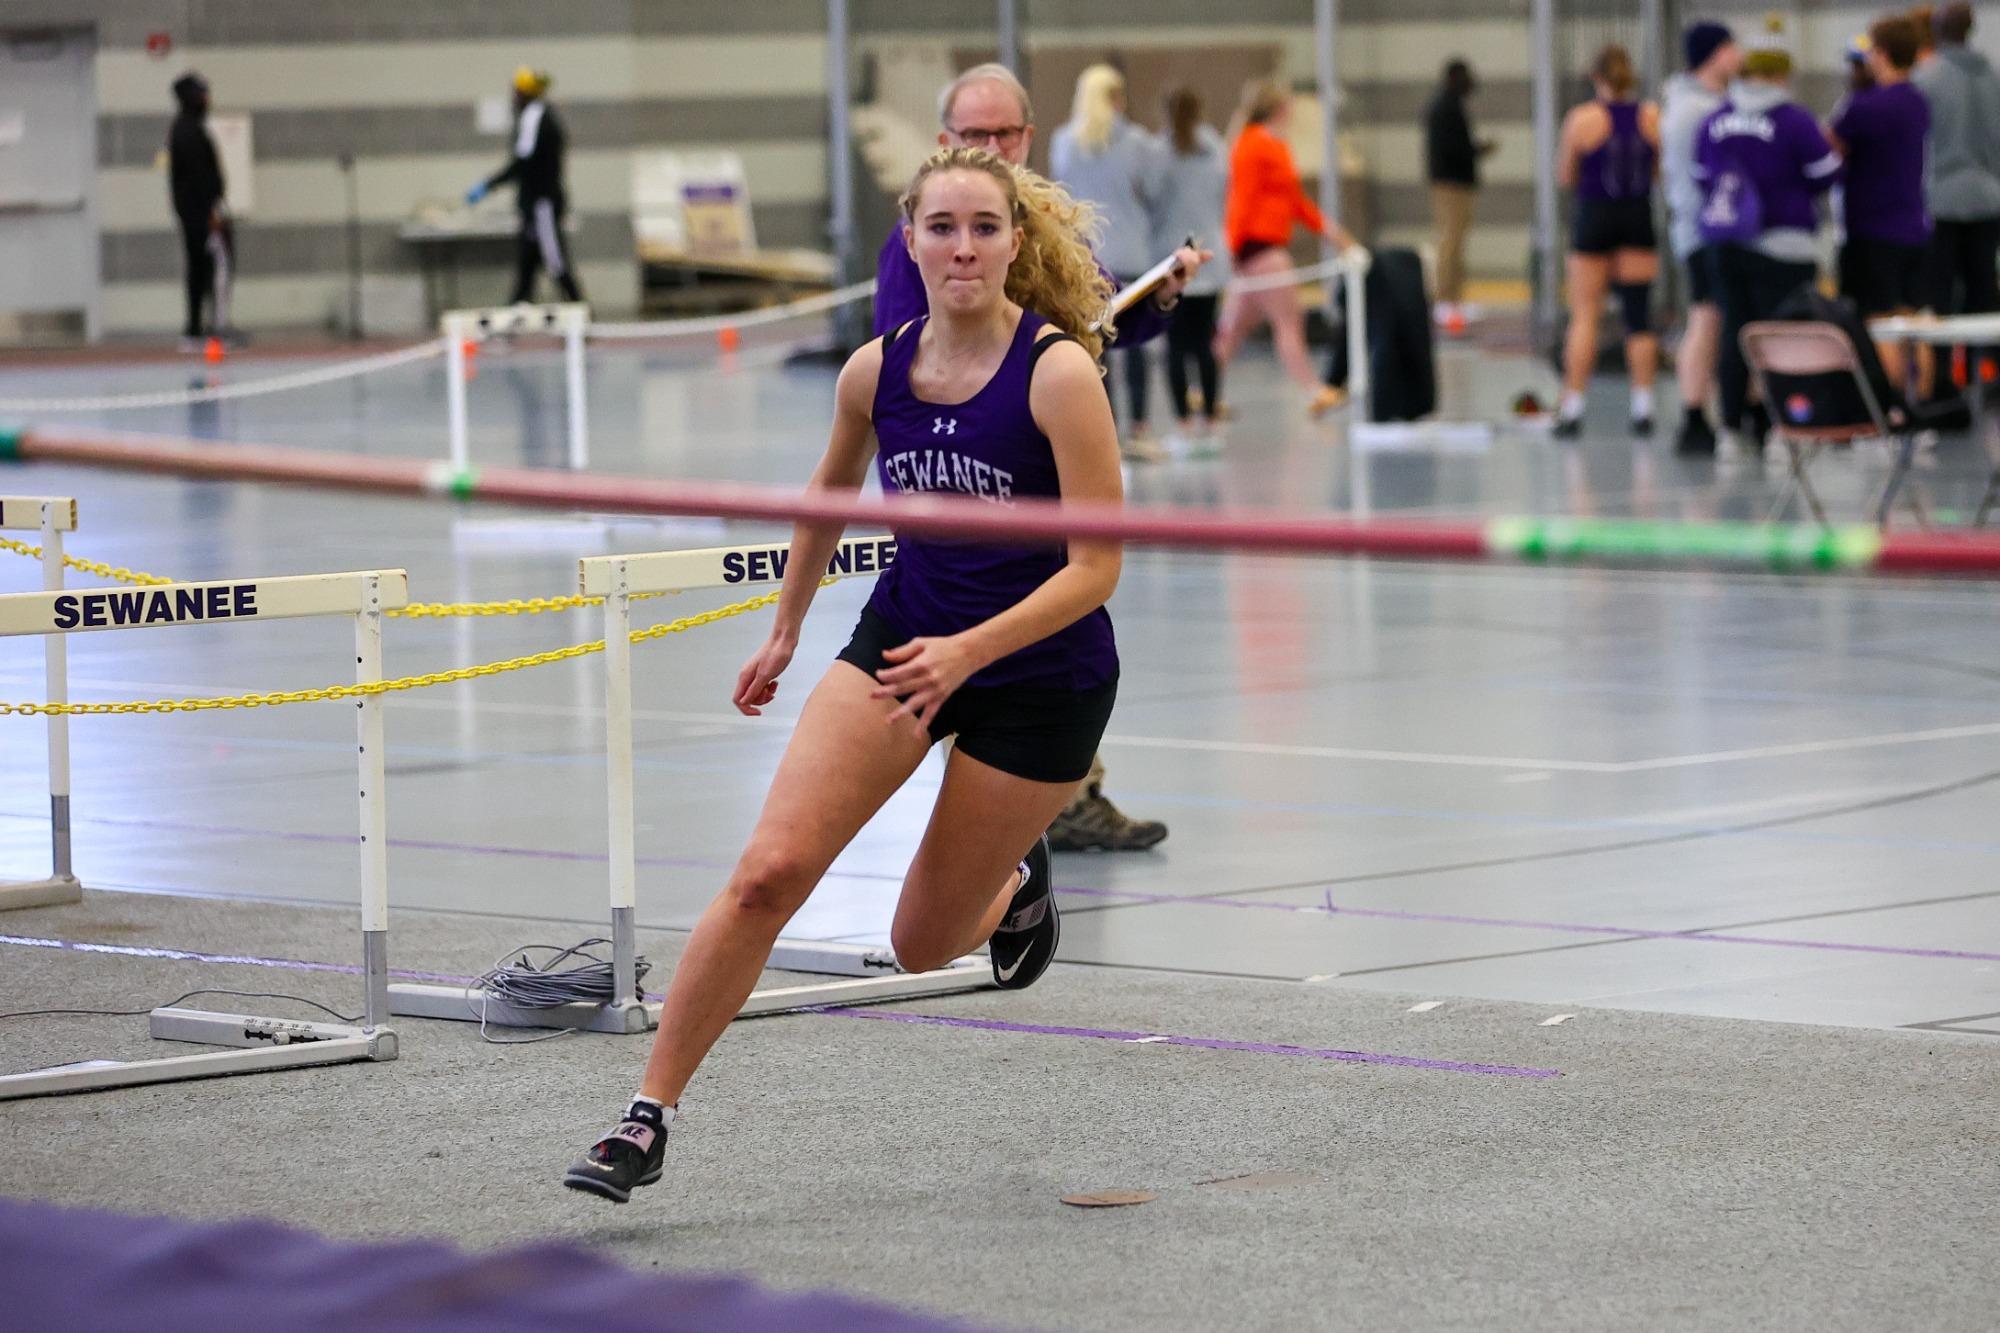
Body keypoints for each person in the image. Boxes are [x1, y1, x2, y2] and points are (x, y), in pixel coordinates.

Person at [564, 147, 1125, 1202]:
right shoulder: (875, 370)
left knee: (918, 945)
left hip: (1040, 677)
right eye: (942, 227)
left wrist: (972, 650)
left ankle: (1013, 884)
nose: (962, 247)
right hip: (904, 640)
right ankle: (647, 1114)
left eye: (983, 228)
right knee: (770, 870)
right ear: (907, 240)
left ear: (1014, 240)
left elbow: (1097, 568)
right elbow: (827, 495)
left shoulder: (1055, 373)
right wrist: (782, 631)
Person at [873, 61, 1184, 855]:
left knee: (1050, 632)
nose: (992, 144)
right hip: (962, 493)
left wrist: (1159, 298)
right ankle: (1012, 828)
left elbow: (1095, 321)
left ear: (1029, 136)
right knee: (959, 653)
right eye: (974, 134)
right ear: (946, 141)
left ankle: (1059, 802)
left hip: (1042, 480)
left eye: (1005, 132)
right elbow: (905, 363)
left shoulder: (1047, 227)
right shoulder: (919, 244)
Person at [1694, 43, 1843, 450]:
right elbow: (1826, 173)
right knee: (1781, 337)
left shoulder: (1716, 118)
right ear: (1781, 77)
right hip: (1785, 246)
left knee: (1735, 335)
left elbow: (1702, 176)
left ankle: (1730, 429)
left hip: (1726, 244)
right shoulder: (1794, 120)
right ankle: (1781, 425)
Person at [1214, 79, 1355, 420]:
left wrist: (1336, 236)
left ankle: (1200, 392)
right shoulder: (1251, 146)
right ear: (1279, 109)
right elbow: (1241, 204)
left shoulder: (1275, 146)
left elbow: (1296, 203)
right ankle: (1314, 389)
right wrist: (1230, 252)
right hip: (1258, 250)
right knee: (1289, 320)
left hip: (1258, 250)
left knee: (1233, 329)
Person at [1050, 65, 1167, 458]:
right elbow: (1152, 192)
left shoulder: (1063, 142)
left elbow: (1060, 196)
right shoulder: (1137, 142)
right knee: (1134, 346)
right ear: (1116, 98)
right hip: (1131, 254)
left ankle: (1104, 434)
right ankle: (1139, 427)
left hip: (1085, 259)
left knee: (1092, 346)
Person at [1552, 45, 1662, 440]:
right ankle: (1643, 403)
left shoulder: (1582, 119)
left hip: (1595, 216)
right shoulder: (1651, 116)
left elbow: (1566, 176)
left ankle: (1573, 405)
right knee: (1638, 315)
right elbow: (1657, 170)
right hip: (1636, 217)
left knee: (1585, 314)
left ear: (1596, 77)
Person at [1829, 15, 1933, 390]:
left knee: (1879, 323)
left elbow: (1827, 152)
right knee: (1914, 322)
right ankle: (1919, 413)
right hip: (1914, 227)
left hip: (1872, 230)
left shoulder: (1864, 108)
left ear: (1882, 53)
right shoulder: (1917, 102)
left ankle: (1888, 412)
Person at [1661, 22, 1740, 454]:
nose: (1739, 55)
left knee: (1713, 320)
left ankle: (1705, 412)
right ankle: (1693, 415)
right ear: (1715, 53)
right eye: (1731, 47)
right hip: (1703, 229)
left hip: (1709, 227)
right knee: (1706, 320)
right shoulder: (1694, 110)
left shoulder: (1705, 102)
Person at [1913, 2, 2000, 373]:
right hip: (1988, 196)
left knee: (1940, 294)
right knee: (1984, 289)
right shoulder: (1993, 78)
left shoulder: (1925, 79)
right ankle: (1989, 371)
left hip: (1940, 201)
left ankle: (1946, 381)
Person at [468, 67, 582, 305]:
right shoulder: (541, 115)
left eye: (517, 93)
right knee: (527, 265)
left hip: (542, 204)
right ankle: (514, 318)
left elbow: (523, 162)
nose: (514, 98)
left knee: (554, 260)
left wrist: (489, 185)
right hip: (535, 204)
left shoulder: (534, 117)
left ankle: (581, 315)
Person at [1153, 87, 1229, 437]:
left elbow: (1151, 199)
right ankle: (1210, 419)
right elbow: (1223, 192)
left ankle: (1183, 422)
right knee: (1204, 345)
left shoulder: (1159, 152)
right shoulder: (1214, 148)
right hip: (1209, 258)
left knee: (1176, 347)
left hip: (1172, 258)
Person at [1424, 59, 1496, 332]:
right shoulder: (1443, 107)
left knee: (1457, 242)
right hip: (1449, 185)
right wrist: (1474, 151)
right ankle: (1443, 301)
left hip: (1457, 183)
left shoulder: (1452, 106)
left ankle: (1454, 298)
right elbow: (1451, 150)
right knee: (1449, 242)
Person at [167, 72, 226, 352]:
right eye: (203, 94)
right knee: (202, 269)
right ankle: (196, 327)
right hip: (197, 215)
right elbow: (198, 178)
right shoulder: (187, 131)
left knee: (204, 268)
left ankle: (204, 324)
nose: (207, 100)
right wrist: (210, 212)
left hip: (198, 213)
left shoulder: (191, 128)